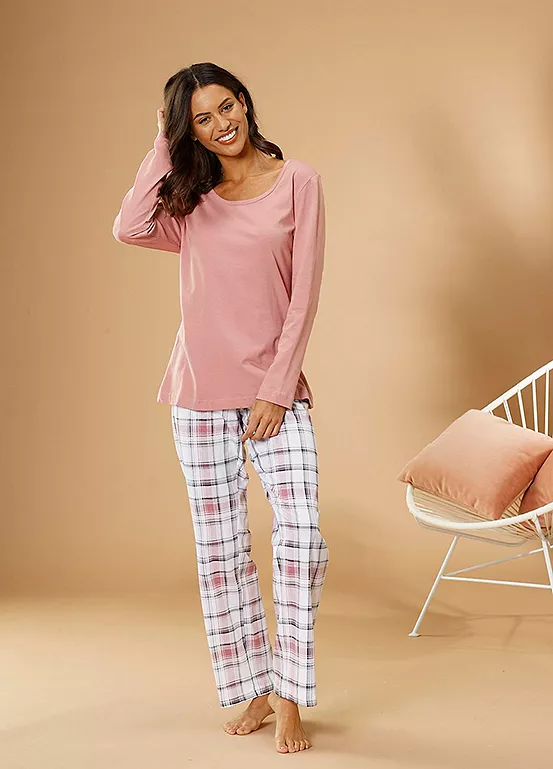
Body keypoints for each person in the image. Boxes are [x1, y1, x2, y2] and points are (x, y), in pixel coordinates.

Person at [112, 62, 329, 754]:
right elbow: (128, 226)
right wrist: (162, 144)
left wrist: (276, 387)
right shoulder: (190, 201)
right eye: (200, 119)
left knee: (301, 538)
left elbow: (304, 296)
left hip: (273, 394)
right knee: (221, 551)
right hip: (198, 393)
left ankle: (291, 694)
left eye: (225, 107)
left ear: (244, 102)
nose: (220, 124)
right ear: (190, 131)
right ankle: (254, 689)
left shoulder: (297, 182)